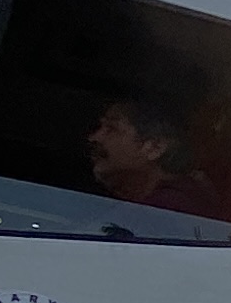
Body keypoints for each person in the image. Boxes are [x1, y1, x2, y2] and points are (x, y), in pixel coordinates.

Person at [85, 94, 221, 219]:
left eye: (112, 129)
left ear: (154, 147)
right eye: (100, 128)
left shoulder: (168, 211)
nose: (94, 138)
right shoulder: (144, 206)